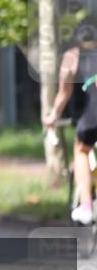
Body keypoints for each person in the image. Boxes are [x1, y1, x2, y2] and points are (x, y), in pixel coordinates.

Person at [42, 15, 97, 225]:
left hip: (91, 115)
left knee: (81, 151)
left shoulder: (72, 56)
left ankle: (86, 206)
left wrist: (53, 115)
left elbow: (64, 93)